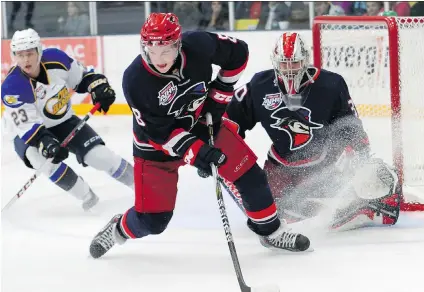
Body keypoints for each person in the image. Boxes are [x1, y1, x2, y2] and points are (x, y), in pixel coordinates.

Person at [89, 13, 311, 259]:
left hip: (201, 123)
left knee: (250, 175)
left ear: (177, 44)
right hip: (155, 147)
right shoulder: (135, 79)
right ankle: (119, 229)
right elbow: (159, 133)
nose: (158, 59)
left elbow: (238, 55)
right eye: (152, 50)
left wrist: (219, 97)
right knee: (154, 220)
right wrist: (198, 153)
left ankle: (271, 232)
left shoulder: (198, 45)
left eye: (165, 51)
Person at [224, 32, 401, 230]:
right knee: (270, 215)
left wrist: (361, 156)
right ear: (275, 62)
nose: (290, 70)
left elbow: (350, 125)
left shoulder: (331, 84)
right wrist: (216, 148)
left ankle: (359, 206)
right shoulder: (259, 86)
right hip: (281, 166)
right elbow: (231, 122)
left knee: (334, 210)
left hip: (324, 165)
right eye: (284, 64)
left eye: (296, 63)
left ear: (306, 60)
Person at [1, 28, 134, 211]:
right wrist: (46, 143)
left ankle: (141, 185)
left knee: (100, 156)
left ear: (39, 51)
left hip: (63, 121)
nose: (25, 60)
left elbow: (82, 78)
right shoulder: (12, 86)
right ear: (14, 55)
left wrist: (98, 86)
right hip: (26, 134)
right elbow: (27, 127)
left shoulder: (57, 59)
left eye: (30, 54)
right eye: (20, 55)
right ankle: (87, 197)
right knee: (43, 161)